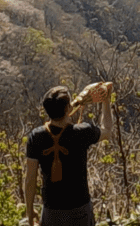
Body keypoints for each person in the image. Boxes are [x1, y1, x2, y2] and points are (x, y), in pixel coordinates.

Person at [25, 82, 114, 226]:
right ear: (67, 108)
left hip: (52, 210)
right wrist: (106, 100)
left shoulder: (36, 137)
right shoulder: (82, 132)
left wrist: (29, 212)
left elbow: (30, 180)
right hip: (80, 209)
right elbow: (107, 130)